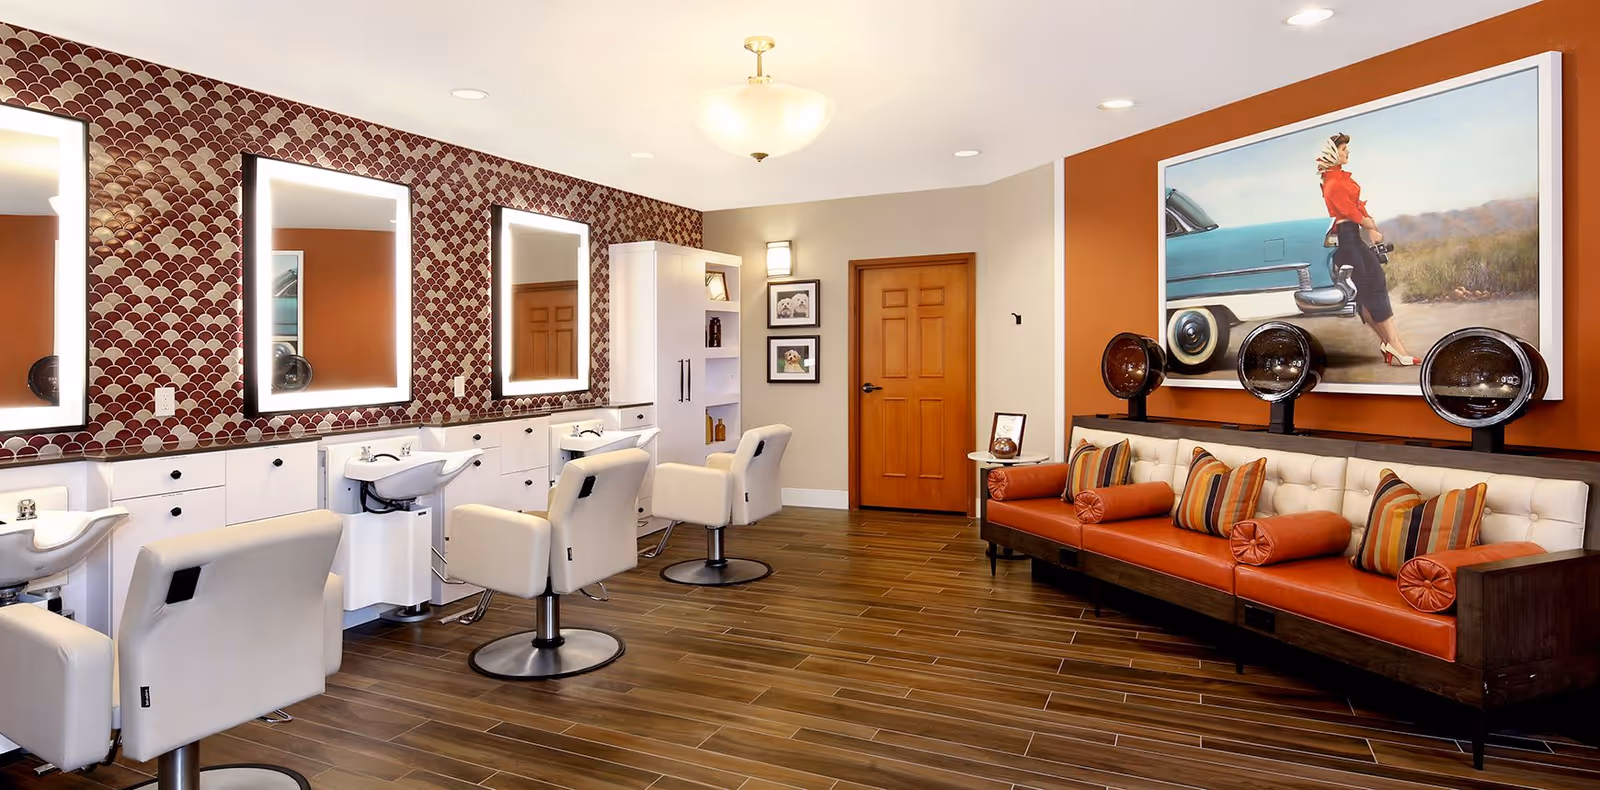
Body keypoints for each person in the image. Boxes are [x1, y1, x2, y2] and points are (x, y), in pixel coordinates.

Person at [1316, 133, 1419, 366]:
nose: (1347, 153)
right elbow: (1348, 211)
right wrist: (1370, 224)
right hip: (1345, 240)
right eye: (1343, 150)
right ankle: (1396, 347)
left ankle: (1391, 345)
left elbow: (1358, 206)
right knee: (1372, 289)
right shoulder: (1332, 183)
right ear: (1333, 153)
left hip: (1353, 238)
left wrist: (1370, 226)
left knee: (1372, 289)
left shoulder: (1341, 179)